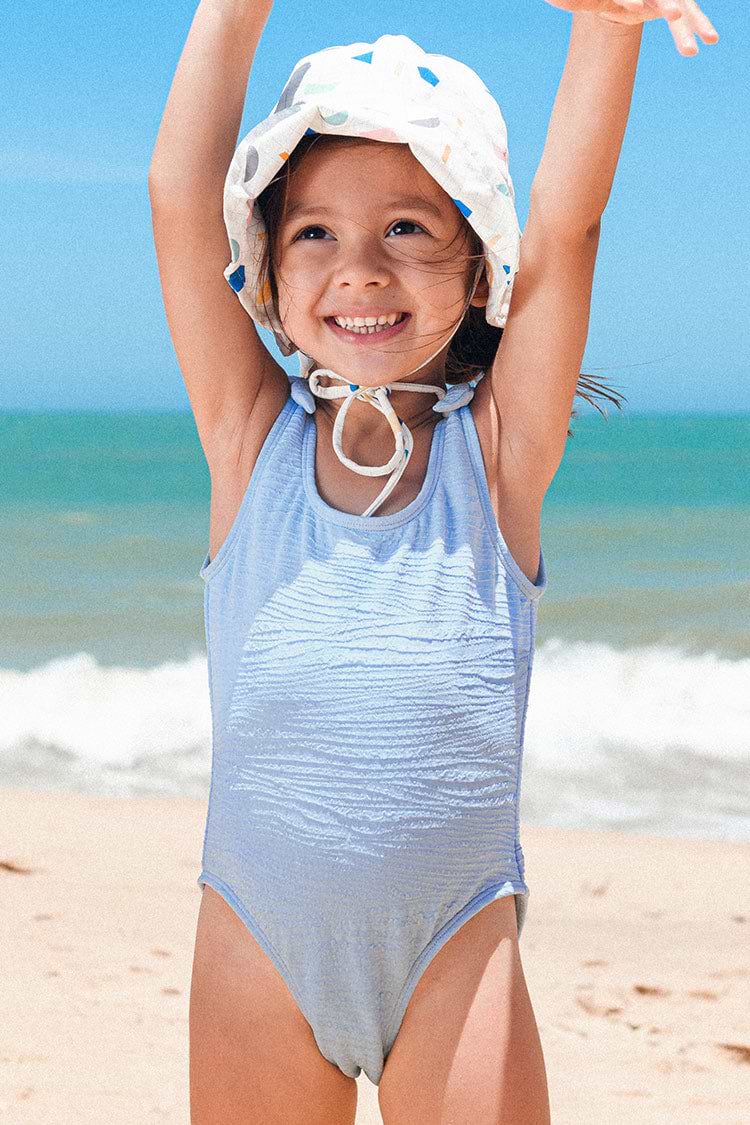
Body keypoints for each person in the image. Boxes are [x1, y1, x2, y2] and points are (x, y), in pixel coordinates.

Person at [148, 2, 719, 1121]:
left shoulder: (497, 458)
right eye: (315, 233)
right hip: (257, 938)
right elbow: (179, 197)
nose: (359, 270)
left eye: (408, 228)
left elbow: (568, 232)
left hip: (452, 944)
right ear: (264, 269)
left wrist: (608, 31)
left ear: (479, 268)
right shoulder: (248, 445)